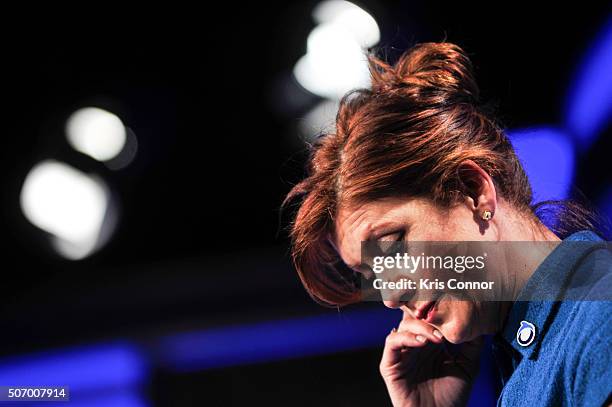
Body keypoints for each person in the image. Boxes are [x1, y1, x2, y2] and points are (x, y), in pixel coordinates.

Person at [282, 42, 612, 406]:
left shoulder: (599, 318)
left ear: (474, 191)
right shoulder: (529, 357)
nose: (390, 296)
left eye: (392, 246)